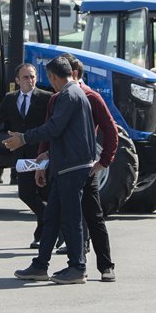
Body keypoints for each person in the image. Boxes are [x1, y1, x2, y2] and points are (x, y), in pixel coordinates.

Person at [5, 55, 95, 285]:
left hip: (72, 166)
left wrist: (24, 138)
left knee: (71, 218)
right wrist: (48, 155)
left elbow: (54, 128)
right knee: (52, 216)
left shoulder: (68, 95)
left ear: (53, 77)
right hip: (66, 164)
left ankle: (77, 267)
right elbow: (67, 133)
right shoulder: (75, 93)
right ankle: (40, 265)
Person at [39, 55, 119, 281]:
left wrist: (104, 161)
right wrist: (41, 162)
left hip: (84, 166)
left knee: (92, 217)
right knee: (61, 216)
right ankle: (58, 262)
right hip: (65, 164)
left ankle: (104, 266)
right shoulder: (57, 99)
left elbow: (111, 130)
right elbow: (50, 133)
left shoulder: (91, 97)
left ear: (74, 74)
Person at [0, 63, 52, 246]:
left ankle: (43, 233)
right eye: (25, 77)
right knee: (25, 193)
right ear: (17, 80)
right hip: (22, 156)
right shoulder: (10, 99)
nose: (30, 80)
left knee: (45, 193)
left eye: (32, 76)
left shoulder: (46, 98)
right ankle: (50, 220)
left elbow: (51, 126)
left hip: (41, 154)